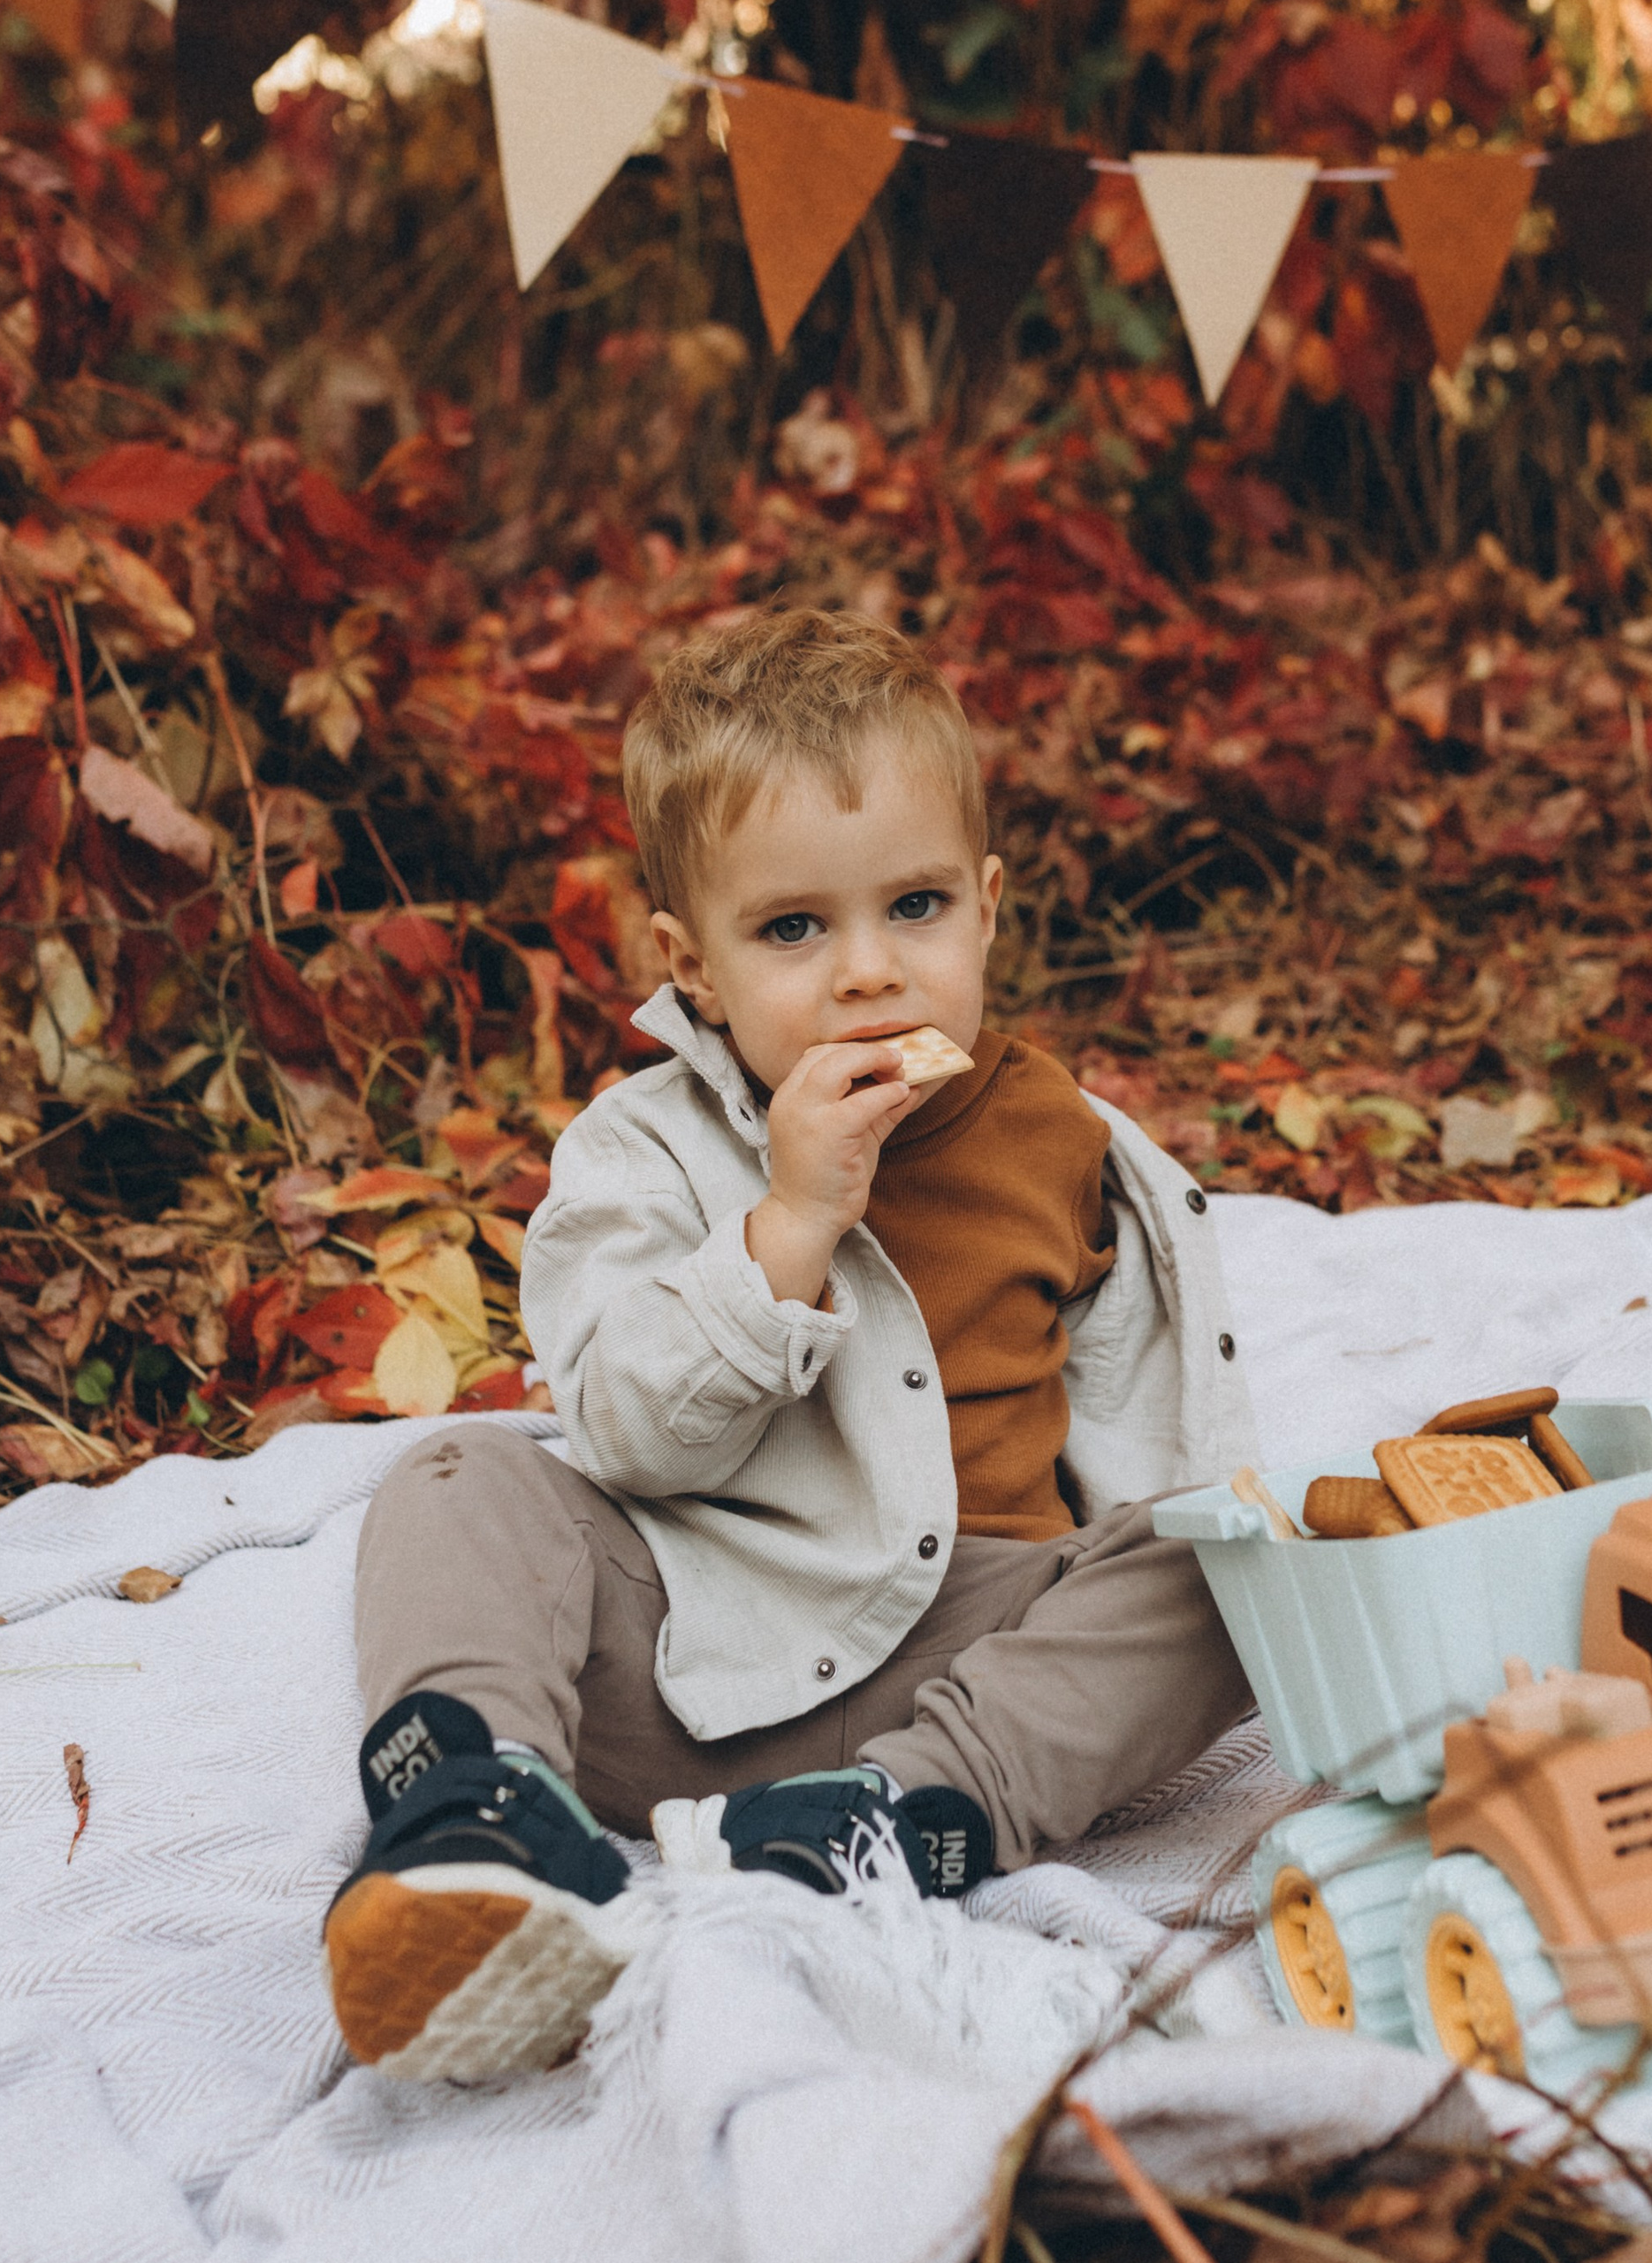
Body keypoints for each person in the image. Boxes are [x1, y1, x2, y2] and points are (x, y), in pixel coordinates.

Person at [323, 608, 1259, 2081]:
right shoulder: (643, 1150)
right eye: (793, 931)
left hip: (983, 1656)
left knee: (1235, 1560)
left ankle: (894, 1823)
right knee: (462, 1482)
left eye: (917, 909)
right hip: (700, 1644)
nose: (870, 973)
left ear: (991, 906)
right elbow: (624, 1426)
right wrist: (786, 1229)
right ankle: (472, 1811)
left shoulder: (1063, 1140)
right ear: (691, 964)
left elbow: (1146, 1426)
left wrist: (1174, 1564)